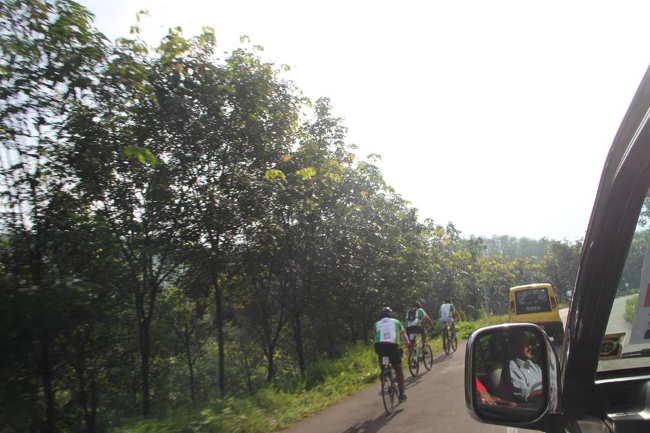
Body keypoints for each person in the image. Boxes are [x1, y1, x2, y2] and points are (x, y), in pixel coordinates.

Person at [374, 306, 412, 402]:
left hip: (379, 347)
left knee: (384, 362)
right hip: (392, 346)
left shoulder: (376, 324)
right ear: (390, 314)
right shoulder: (396, 322)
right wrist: (408, 344)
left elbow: (376, 335)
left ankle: (384, 372)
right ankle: (401, 393)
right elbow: (403, 335)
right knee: (398, 369)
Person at [507, 331, 543, 403]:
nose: (530, 347)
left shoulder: (533, 365)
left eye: (530, 344)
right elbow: (525, 395)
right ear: (515, 347)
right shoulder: (512, 367)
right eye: (526, 345)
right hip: (532, 405)